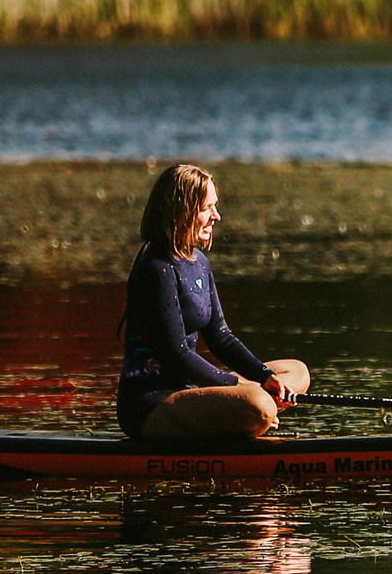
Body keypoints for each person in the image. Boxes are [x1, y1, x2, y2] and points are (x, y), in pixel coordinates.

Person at [117, 165, 311, 440]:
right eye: (208, 208)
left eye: (215, 207)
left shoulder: (199, 263)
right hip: (152, 403)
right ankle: (251, 411)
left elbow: (221, 337)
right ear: (182, 212)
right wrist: (240, 385)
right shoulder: (155, 268)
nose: (216, 217)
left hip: (191, 389)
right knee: (260, 405)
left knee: (297, 371)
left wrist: (264, 375)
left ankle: (246, 408)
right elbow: (176, 356)